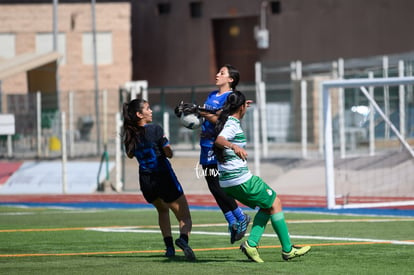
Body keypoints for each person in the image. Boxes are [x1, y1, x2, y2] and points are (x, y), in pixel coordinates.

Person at [213, 90, 311, 263]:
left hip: (228, 181)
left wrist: (242, 106)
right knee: (275, 202)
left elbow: (224, 119)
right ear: (241, 107)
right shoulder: (232, 124)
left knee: (267, 206)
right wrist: (234, 146)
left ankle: (251, 244)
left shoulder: (227, 119)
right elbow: (219, 140)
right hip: (240, 179)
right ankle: (288, 250)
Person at [122, 98, 196, 261]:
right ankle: (183, 240)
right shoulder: (155, 129)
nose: (151, 111)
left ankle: (169, 248)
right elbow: (168, 152)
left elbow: (129, 155)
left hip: (146, 181)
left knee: (162, 210)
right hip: (163, 176)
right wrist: (169, 150)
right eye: (147, 109)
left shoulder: (129, 134)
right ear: (139, 114)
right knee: (185, 217)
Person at [197, 64, 250, 244]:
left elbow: (222, 120)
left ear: (231, 79)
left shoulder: (231, 97)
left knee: (218, 185)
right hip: (205, 144)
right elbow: (206, 116)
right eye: (218, 71)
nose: (217, 74)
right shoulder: (212, 95)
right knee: (212, 185)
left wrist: (201, 112)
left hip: (216, 145)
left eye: (222, 73)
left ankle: (240, 216)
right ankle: (232, 222)